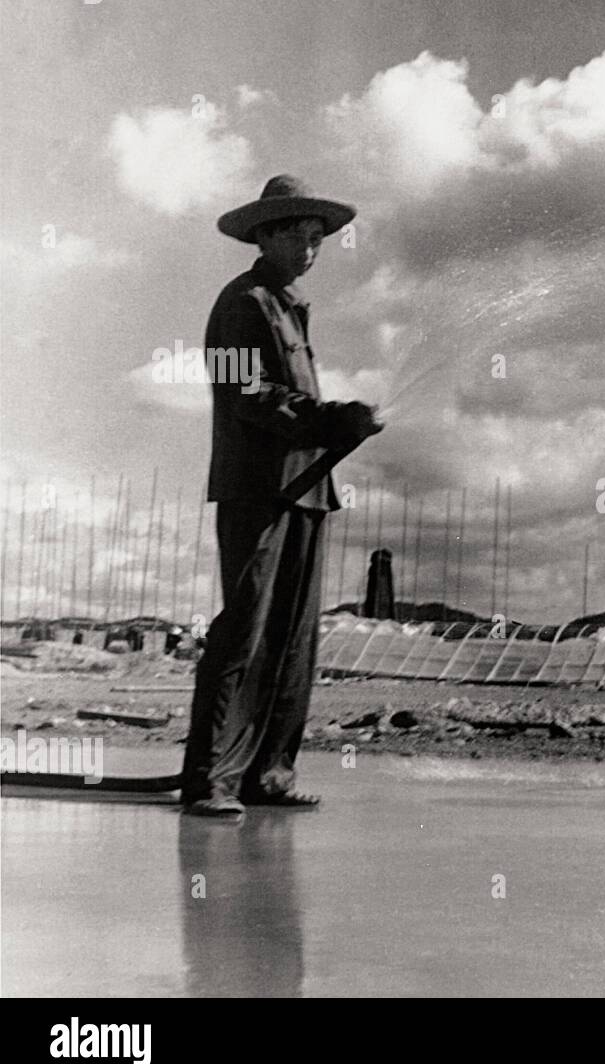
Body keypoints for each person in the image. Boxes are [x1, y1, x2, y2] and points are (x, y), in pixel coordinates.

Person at [180, 176, 384, 818]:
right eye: (297, 233)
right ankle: (210, 779)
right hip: (257, 490)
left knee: (295, 641)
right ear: (264, 235)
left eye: (317, 236)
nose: (310, 246)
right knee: (245, 629)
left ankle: (269, 772)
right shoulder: (242, 303)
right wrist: (329, 420)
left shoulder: (290, 307)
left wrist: (339, 423)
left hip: (306, 491)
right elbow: (246, 395)